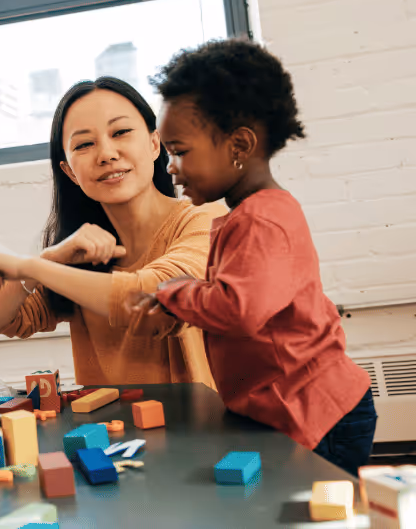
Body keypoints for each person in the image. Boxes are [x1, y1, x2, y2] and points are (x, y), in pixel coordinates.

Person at [128, 39, 376, 474]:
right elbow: (240, 304)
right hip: (292, 410)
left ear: (238, 145)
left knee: (317, 511)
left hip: (320, 416)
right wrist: (182, 307)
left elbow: (239, 309)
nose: (170, 166)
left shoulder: (262, 218)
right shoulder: (250, 215)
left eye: (180, 151)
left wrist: (175, 292)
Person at [0, 77, 224, 388]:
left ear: (155, 144)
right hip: (111, 436)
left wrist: (33, 266)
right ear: (69, 172)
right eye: (84, 144)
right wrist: (49, 258)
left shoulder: (205, 219)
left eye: (121, 132)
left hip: (202, 434)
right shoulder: (82, 256)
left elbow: (151, 296)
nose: (106, 153)